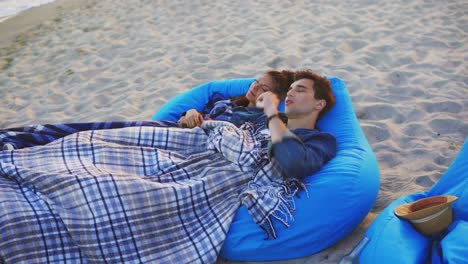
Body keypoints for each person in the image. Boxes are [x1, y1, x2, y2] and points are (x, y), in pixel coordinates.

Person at [257, 69, 337, 180]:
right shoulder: (267, 118)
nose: (289, 93)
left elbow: (294, 164)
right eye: (290, 89)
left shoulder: (321, 140)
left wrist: (271, 113)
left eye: (300, 90)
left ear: (319, 104)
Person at [178, 69, 294, 128]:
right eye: (257, 81)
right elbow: (202, 112)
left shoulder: (257, 120)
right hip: (185, 127)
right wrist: (190, 113)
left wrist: (200, 123)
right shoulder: (232, 102)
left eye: (263, 88)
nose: (255, 86)